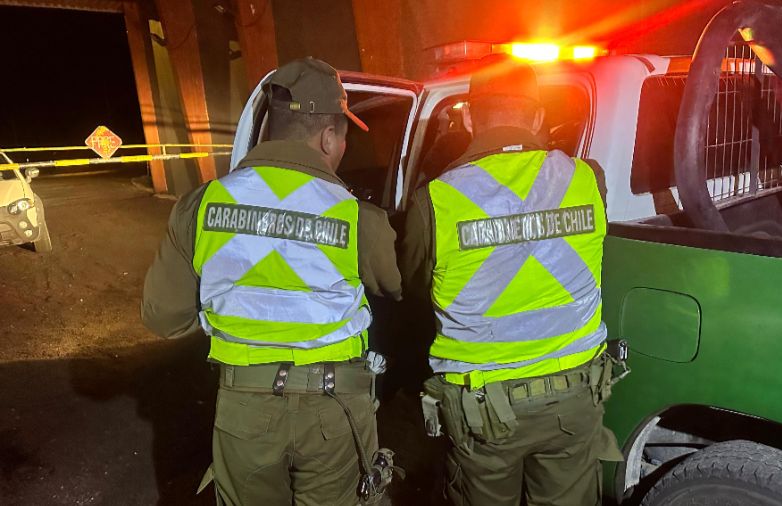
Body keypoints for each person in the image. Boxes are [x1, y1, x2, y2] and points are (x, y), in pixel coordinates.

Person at [141, 57, 402, 505]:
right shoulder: (356, 216)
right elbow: (398, 287)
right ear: (327, 137)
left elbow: (162, 317)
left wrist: (228, 313)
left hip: (245, 410)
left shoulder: (202, 204)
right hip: (334, 410)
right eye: (342, 137)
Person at [400, 56, 623, 505]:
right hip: (574, 396)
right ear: (538, 115)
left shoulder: (436, 201)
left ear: (468, 117)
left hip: (483, 410)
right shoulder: (587, 179)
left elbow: (414, 287)